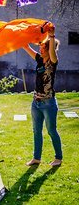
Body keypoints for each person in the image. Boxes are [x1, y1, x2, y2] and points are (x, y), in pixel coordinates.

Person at [22, 22, 63, 167]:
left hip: (48, 103)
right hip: (36, 102)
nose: (40, 47)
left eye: (42, 46)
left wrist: (51, 36)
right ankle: (36, 158)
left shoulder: (52, 61)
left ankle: (58, 158)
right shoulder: (39, 59)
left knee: (51, 130)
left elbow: (52, 51)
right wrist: (20, 37)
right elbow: (26, 47)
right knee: (36, 131)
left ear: (47, 48)